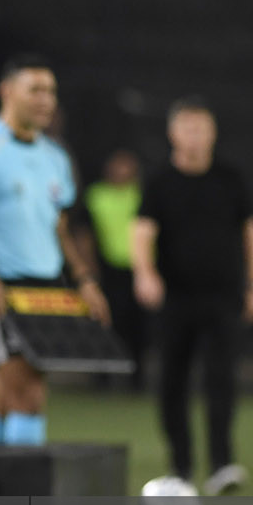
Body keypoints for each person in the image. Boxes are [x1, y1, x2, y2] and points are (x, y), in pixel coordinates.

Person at [0, 55, 109, 446]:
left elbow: (59, 230)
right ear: (7, 91)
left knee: (5, 398)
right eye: (35, 89)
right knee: (28, 395)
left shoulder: (56, 158)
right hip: (1, 287)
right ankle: (25, 501)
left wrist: (83, 279)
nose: (45, 100)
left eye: (50, 91)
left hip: (46, 289)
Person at [131, 97, 253, 495]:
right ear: (173, 133)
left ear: (213, 132)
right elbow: (142, 231)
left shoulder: (230, 178)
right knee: (172, 381)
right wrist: (146, 273)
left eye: (202, 127)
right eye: (187, 127)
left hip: (223, 297)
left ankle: (222, 464)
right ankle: (180, 466)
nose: (195, 135)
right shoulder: (159, 182)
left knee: (221, 379)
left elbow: (252, 231)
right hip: (175, 298)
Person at [78, 149, 149, 388]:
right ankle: (102, 377)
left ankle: (136, 379)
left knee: (137, 325)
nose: (122, 171)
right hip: (106, 270)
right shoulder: (96, 196)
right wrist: (89, 268)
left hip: (137, 270)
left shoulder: (141, 196)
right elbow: (85, 234)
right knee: (105, 321)